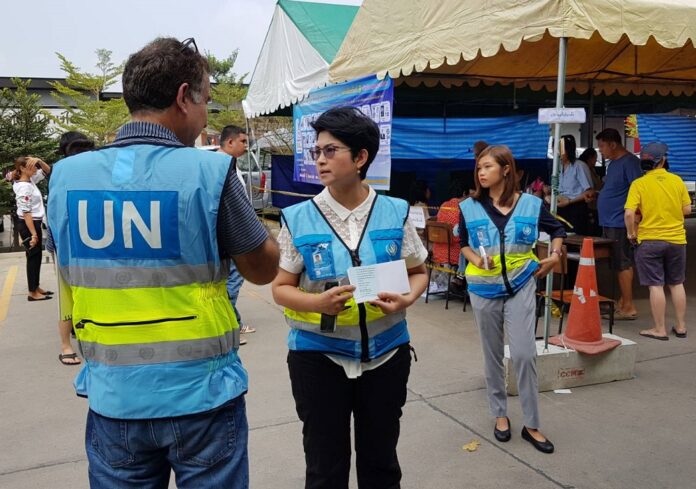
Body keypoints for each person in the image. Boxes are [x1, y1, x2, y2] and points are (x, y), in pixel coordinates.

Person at [48, 37, 279, 488]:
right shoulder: (208, 172)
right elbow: (261, 269)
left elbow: (68, 258)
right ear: (182, 98)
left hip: (113, 399)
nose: (207, 114)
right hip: (202, 398)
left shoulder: (66, 178)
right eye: (206, 100)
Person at [271, 107, 428, 488]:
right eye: (317, 152)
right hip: (317, 359)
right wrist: (317, 303)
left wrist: (407, 300)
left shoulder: (394, 211)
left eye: (330, 151)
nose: (320, 160)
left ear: (360, 158)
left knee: (381, 464)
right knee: (325, 468)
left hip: (387, 356)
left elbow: (419, 272)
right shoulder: (298, 218)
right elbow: (280, 288)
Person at [459, 145, 566, 454]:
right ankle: (500, 414)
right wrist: (475, 260)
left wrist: (555, 255)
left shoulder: (532, 204)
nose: (481, 172)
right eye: (479, 168)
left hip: (521, 285)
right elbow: (463, 243)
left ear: (506, 169)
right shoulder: (469, 207)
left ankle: (532, 424)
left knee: (523, 353)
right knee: (491, 354)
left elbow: (557, 229)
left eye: (487, 167)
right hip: (483, 290)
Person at [624, 142, 691, 340]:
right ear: (662, 160)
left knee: (656, 285)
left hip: (650, 240)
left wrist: (630, 233)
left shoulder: (639, 184)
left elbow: (629, 214)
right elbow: (687, 210)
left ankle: (659, 329)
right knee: (677, 283)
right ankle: (680, 326)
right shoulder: (677, 181)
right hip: (677, 240)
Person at [51, 132, 95, 366]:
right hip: (80, 240)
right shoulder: (64, 169)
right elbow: (56, 209)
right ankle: (66, 345)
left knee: (73, 295)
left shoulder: (64, 168)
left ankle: (70, 343)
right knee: (72, 296)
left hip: (81, 241)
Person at [596, 128, 642, 320]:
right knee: (617, 261)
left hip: (620, 222)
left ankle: (629, 306)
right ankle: (624, 300)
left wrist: (636, 220)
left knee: (623, 262)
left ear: (613, 144)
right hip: (609, 220)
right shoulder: (613, 164)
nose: (600, 150)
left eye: (602, 146)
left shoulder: (630, 162)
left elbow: (639, 191)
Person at [218, 125, 255, 341]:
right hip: (233, 239)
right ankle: (230, 327)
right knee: (232, 283)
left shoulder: (230, 165)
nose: (245, 146)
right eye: (242, 141)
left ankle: (234, 324)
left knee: (230, 284)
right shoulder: (220, 168)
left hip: (232, 238)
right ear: (230, 142)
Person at [12, 156, 52, 301]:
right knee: (33, 258)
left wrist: (40, 160)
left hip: (32, 223)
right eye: (33, 166)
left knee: (36, 256)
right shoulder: (24, 186)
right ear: (23, 168)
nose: (36, 169)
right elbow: (26, 212)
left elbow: (48, 171)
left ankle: (36, 287)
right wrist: (34, 234)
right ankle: (32, 293)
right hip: (29, 224)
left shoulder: (30, 181)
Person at [433, 179, 468, 291]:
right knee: (467, 249)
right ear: (464, 193)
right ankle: (460, 281)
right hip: (453, 251)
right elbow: (459, 235)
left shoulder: (444, 205)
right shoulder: (463, 207)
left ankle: (458, 280)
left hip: (438, 249)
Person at [555, 135, 592, 235]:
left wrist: (570, 201)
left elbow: (589, 192)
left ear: (568, 150)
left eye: (560, 150)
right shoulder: (558, 167)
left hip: (576, 209)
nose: (558, 153)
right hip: (561, 208)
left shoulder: (579, 166)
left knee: (574, 237)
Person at [577, 147, 603, 236]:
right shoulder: (583, 168)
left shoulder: (592, 169)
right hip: (588, 204)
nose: (596, 161)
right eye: (595, 158)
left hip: (595, 203)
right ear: (590, 158)